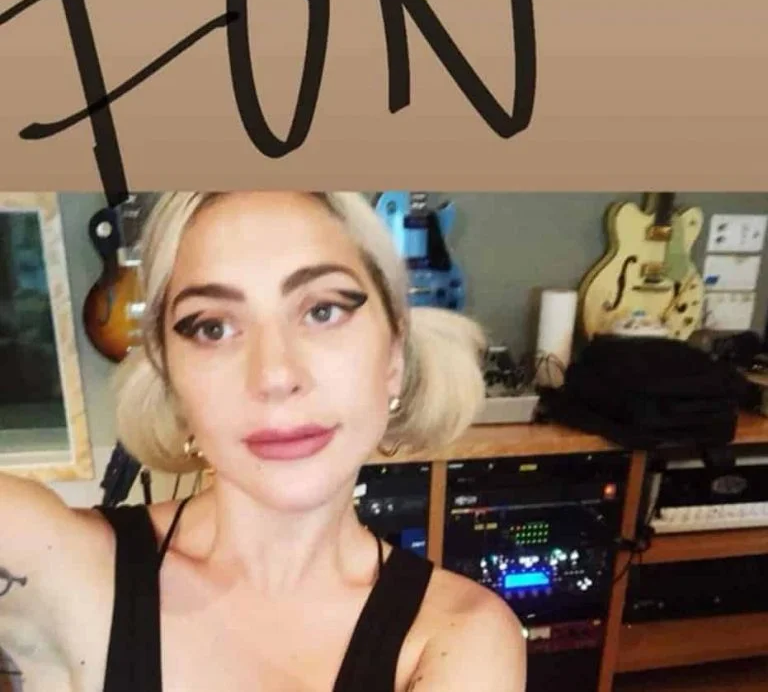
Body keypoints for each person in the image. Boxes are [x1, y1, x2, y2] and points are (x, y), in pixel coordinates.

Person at [0, 191, 526, 692]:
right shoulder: (55, 563)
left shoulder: (461, 637)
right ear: (170, 378)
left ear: (393, 356)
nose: (275, 375)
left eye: (323, 311)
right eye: (212, 328)